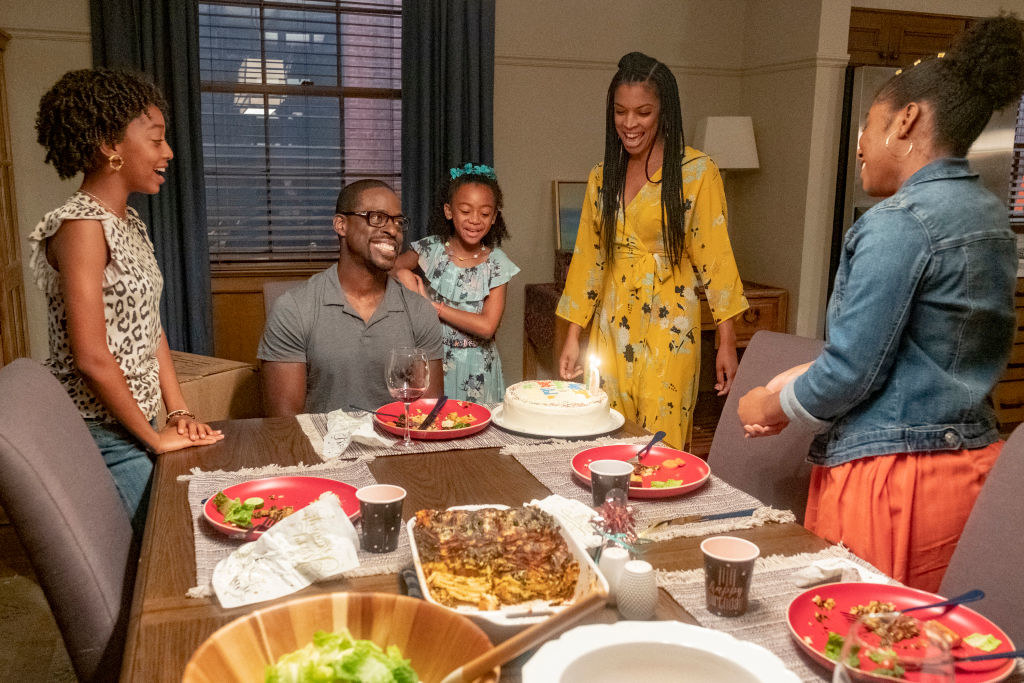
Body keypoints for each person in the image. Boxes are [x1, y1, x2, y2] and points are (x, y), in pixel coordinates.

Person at [738, 16, 1024, 591]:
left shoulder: (898, 223)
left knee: (851, 637)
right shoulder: (991, 216)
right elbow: (918, 351)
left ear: (907, 119)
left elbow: (851, 372)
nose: (861, 145)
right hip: (969, 466)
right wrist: (803, 373)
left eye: (868, 126)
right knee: (919, 648)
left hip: (892, 482)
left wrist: (766, 406)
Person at [29, 68, 224, 534]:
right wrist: (154, 440)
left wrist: (177, 411)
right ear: (108, 145)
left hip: (136, 424)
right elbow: (92, 357)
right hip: (102, 434)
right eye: (156, 140)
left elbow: (147, 324)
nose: (168, 153)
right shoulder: (81, 227)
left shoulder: (128, 222)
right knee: (174, 542)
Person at [556, 52, 749, 450]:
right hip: (611, 326)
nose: (630, 123)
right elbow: (588, 260)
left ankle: (664, 516)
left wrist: (727, 341)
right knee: (606, 437)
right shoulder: (602, 177)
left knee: (659, 446)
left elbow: (716, 260)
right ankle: (611, 514)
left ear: (664, 111)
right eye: (620, 112)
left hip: (670, 327)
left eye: (643, 112)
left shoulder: (696, 172)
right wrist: (574, 334)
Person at [258, 179, 444, 416]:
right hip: (321, 451)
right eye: (377, 218)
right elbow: (285, 424)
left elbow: (428, 416)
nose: (393, 230)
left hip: (399, 449)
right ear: (341, 225)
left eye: (398, 222)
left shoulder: (419, 311)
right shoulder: (293, 309)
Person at [392, 163, 519, 403]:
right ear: (449, 211)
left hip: (479, 368)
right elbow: (389, 267)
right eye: (465, 210)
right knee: (432, 428)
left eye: (484, 213)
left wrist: (434, 308)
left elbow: (487, 326)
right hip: (433, 360)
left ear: (493, 218)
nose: (474, 220)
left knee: (478, 435)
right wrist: (404, 276)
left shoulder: (497, 263)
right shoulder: (431, 249)